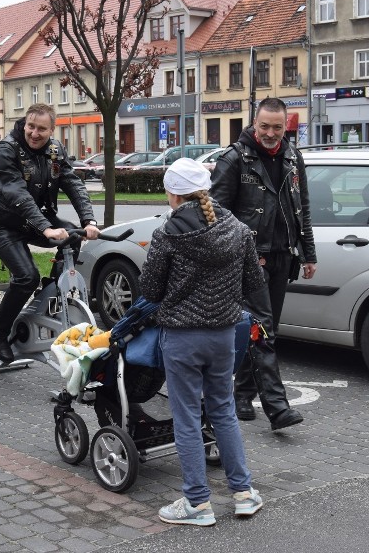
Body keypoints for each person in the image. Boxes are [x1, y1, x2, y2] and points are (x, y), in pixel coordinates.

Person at [140, 157, 265, 526]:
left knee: (187, 418)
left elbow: (150, 289)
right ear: (204, 191)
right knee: (223, 411)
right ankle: (243, 494)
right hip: (224, 335)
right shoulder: (238, 229)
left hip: (182, 338)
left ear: (173, 195)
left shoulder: (168, 234)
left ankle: (197, 502)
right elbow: (254, 284)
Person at [210, 97, 317, 430]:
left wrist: (309, 253)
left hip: (283, 255)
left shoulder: (292, 156)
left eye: (277, 127)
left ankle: (242, 395)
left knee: (262, 330)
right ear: (254, 124)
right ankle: (276, 406)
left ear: (286, 126)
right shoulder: (234, 159)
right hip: (250, 259)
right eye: (265, 126)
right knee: (264, 329)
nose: (271, 133)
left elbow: (303, 208)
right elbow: (215, 213)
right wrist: (241, 250)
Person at [0, 103, 100, 363]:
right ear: (25, 123)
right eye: (30, 126)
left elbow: (72, 183)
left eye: (41, 129)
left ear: (51, 129)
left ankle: (50, 293)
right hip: (2, 224)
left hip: (35, 219)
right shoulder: (5, 151)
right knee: (26, 276)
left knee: (74, 234)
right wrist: (45, 228)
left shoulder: (55, 151)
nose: (34, 133)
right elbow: (16, 194)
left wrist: (89, 220)